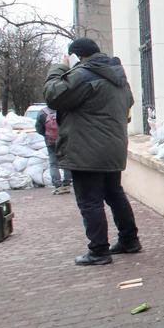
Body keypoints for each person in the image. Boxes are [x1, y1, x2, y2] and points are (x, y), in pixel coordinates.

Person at [44, 38, 140, 266]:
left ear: (77, 56)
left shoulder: (82, 75)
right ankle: (129, 240)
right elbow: (129, 103)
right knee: (114, 193)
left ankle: (98, 251)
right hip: (113, 148)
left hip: (86, 150)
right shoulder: (118, 76)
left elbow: (53, 96)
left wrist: (60, 67)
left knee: (90, 201)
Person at [34, 105, 72, 194]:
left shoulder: (42, 113)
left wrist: (47, 135)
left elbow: (38, 128)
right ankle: (66, 183)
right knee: (66, 161)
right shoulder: (64, 109)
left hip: (50, 141)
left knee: (53, 163)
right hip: (64, 140)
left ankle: (57, 184)